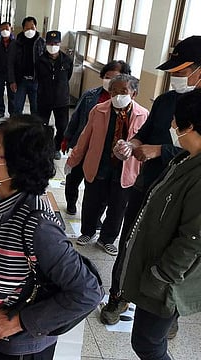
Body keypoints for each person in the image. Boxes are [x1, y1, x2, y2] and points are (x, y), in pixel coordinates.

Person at [0, 116, 103, 360]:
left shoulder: (38, 224)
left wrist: (20, 321)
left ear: (18, 165)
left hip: (21, 348)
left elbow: (88, 292)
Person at [100, 35, 201, 327]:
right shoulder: (167, 101)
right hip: (150, 185)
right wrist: (131, 144)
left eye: (181, 72)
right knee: (131, 239)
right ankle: (119, 295)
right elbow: (145, 132)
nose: (174, 78)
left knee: (172, 252)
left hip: (182, 195)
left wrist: (161, 150)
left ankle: (169, 315)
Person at [119, 89, 201, 360]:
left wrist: (161, 276)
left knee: (148, 343)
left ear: (189, 126)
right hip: (156, 272)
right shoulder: (184, 158)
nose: (171, 127)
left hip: (167, 280)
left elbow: (192, 239)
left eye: (176, 122)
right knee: (146, 340)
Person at [66, 74, 149, 256]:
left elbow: (144, 144)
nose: (118, 95)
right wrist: (73, 161)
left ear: (133, 93)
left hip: (125, 170)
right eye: (114, 91)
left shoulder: (143, 115)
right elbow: (85, 138)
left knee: (118, 206)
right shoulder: (98, 110)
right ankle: (87, 231)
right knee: (92, 201)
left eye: (123, 91)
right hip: (99, 165)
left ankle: (107, 239)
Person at [63, 60, 131, 215]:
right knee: (73, 177)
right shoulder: (90, 96)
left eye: (114, 77)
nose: (110, 81)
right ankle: (71, 202)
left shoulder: (126, 103)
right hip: (82, 144)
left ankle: (95, 215)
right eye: (107, 77)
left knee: (97, 185)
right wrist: (67, 138)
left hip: (103, 151)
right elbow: (76, 118)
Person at [35, 30, 73, 160]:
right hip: (44, 98)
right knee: (42, 126)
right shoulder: (40, 60)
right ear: (46, 44)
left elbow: (68, 76)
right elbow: (38, 77)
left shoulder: (67, 60)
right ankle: (43, 148)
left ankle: (56, 148)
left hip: (61, 100)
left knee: (62, 127)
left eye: (55, 43)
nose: (53, 46)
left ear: (60, 43)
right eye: (50, 43)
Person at [8, 16, 44, 115]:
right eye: (27, 28)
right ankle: (17, 129)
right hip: (21, 81)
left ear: (36, 28)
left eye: (32, 28)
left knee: (36, 109)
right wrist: (12, 81)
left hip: (36, 81)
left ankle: (34, 129)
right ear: (23, 29)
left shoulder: (41, 43)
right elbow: (10, 63)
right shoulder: (16, 43)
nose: (30, 30)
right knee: (17, 109)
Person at [0, 21, 16, 119]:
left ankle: (12, 113)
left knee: (12, 94)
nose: (5, 31)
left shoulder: (16, 43)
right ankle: (0, 111)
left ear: (11, 29)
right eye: (2, 29)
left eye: (7, 29)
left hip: (11, 73)